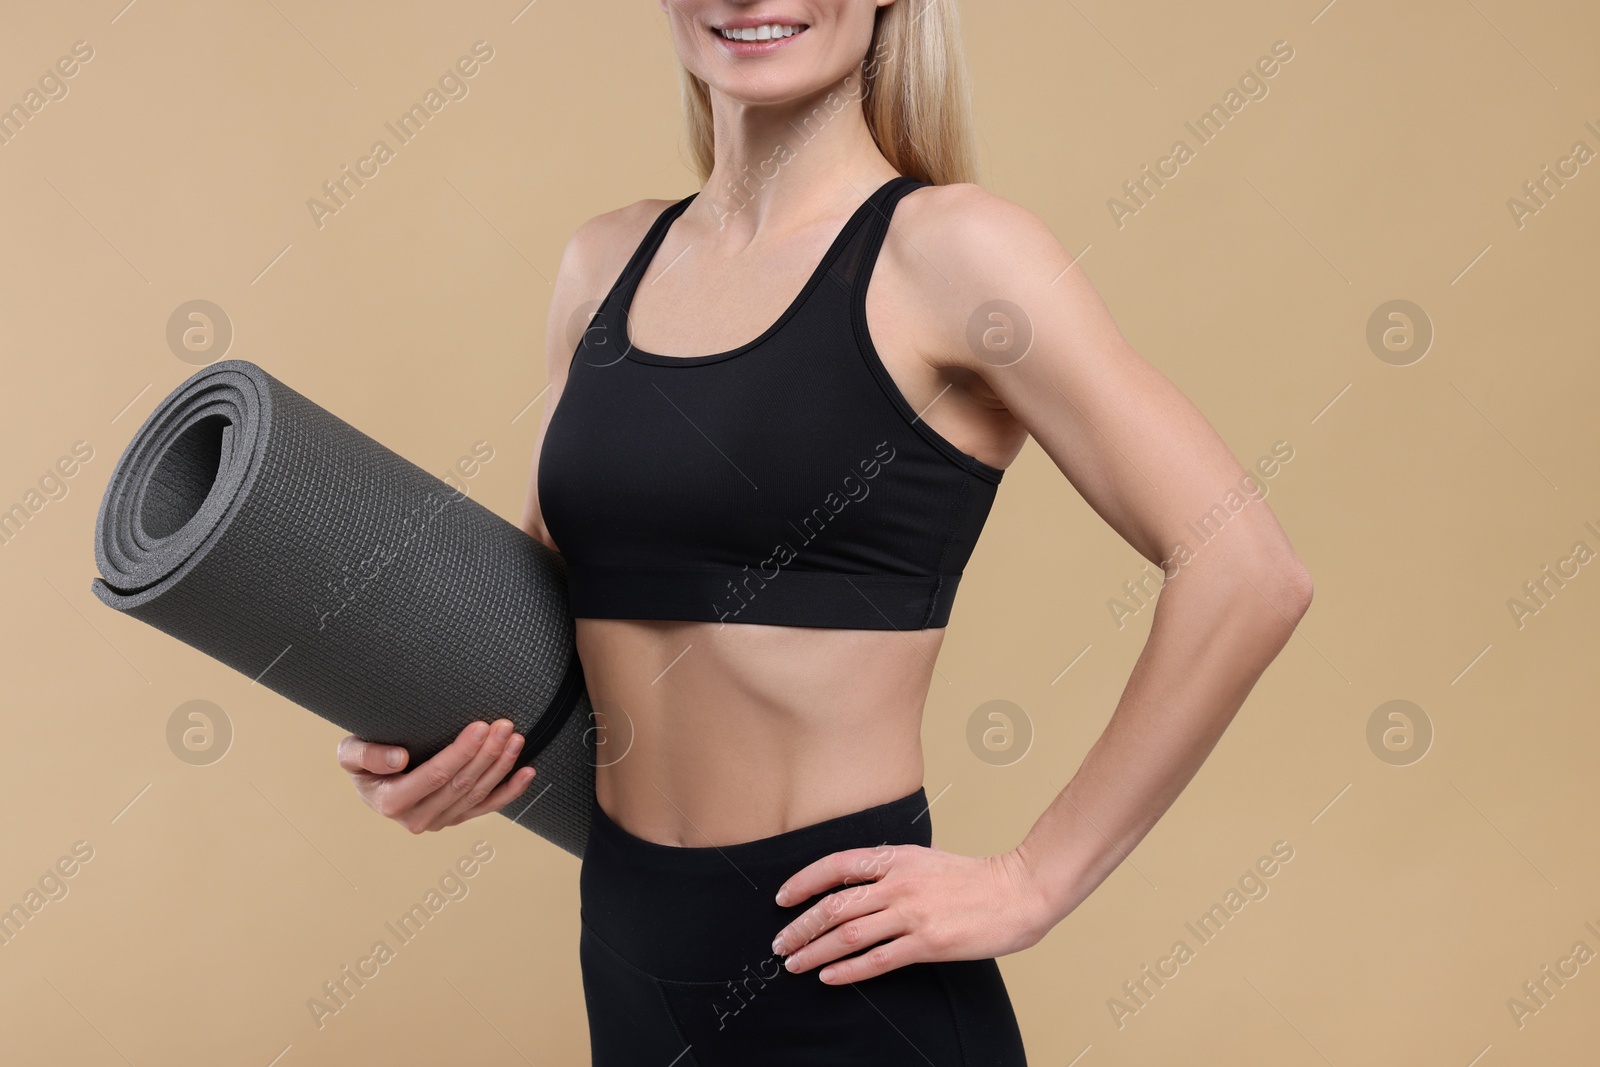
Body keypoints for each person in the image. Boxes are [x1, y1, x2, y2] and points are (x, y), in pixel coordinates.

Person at [335, 2, 1314, 1062]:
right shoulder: (600, 265)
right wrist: (430, 736)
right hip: (626, 952)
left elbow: (1245, 568)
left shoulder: (954, 254)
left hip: (847, 976)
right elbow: (542, 618)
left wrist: (1033, 880)